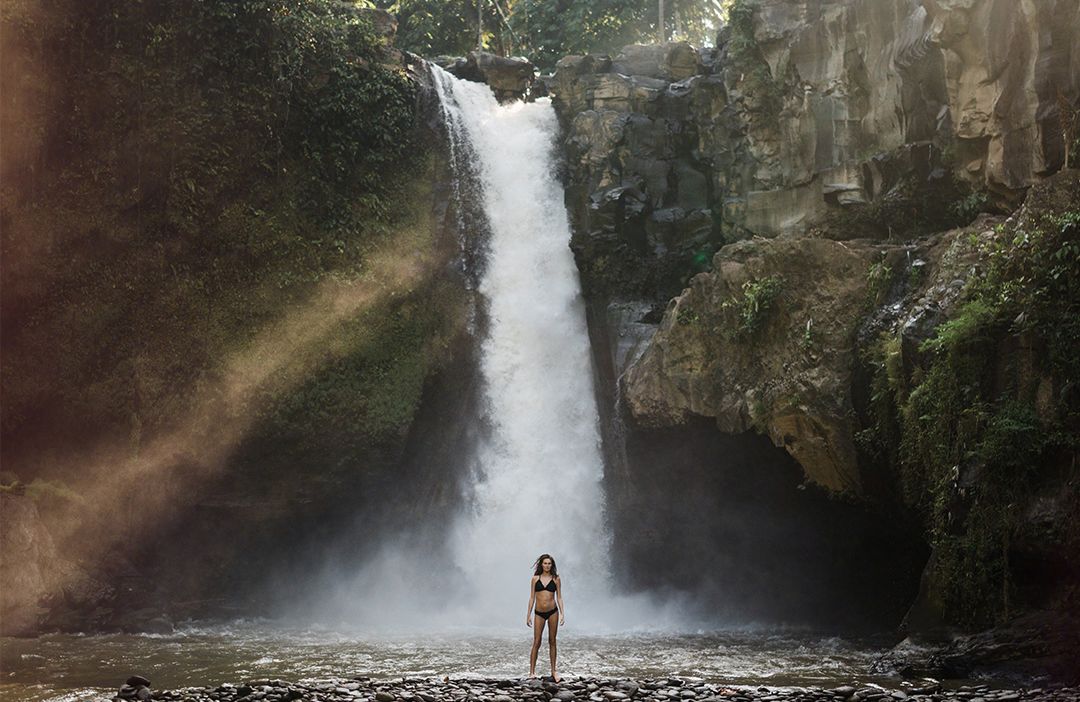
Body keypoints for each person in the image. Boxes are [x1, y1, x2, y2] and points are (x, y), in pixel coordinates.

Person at [526, 553, 564, 681]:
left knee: (552, 641)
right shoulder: (535, 579)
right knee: (537, 642)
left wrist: (563, 613)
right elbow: (532, 597)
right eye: (545, 563)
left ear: (551, 565)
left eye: (549, 563)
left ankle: (554, 671)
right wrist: (528, 615)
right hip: (538, 613)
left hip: (553, 611)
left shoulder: (556, 578)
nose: (547, 565)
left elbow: (559, 597)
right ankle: (531, 672)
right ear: (541, 565)